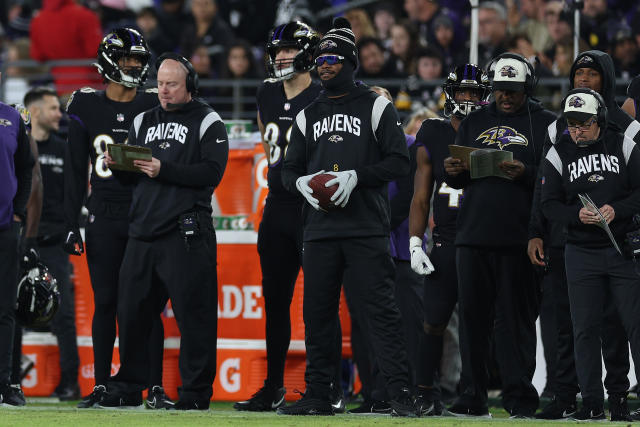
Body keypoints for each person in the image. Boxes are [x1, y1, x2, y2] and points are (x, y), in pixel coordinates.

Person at [279, 17, 416, 417]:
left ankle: (400, 395)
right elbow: (287, 170)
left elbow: (399, 161)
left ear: (351, 61)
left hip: (365, 228)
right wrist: (301, 184)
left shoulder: (376, 105)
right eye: (320, 58)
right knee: (317, 314)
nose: (324, 64)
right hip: (319, 229)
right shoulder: (307, 113)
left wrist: (357, 177)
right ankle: (321, 394)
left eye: (333, 58)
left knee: (381, 314)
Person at [101, 52, 228, 410]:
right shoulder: (142, 119)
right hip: (142, 230)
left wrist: (163, 169)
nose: (163, 90)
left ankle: (194, 394)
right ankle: (128, 385)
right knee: (130, 313)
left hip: (185, 232)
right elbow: (134, 178)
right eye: (159, 83)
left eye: (171, 84)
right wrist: (119, 164)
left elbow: (211, 174)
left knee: (195, 316)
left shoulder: (208, 120)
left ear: (190, 86)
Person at [62, 28, 171, 409]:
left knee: (146, 303)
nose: (135, 66)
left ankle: (153, 385)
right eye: (128, 59)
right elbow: (75, 171)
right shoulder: (85, 104)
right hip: (104, 214)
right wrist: (71, 222)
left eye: (139, 60)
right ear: (110, 61)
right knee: (107, 301)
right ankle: (105, 384)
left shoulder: (156, 103)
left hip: (146, 214)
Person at [443, 53, 556, 418]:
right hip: (473, 234)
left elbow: (553, 180)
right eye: (500, 90)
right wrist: (453, 170)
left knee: (515, 325)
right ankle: (472, 397)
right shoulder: (474, 120)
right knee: (473, 323)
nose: (506, 97)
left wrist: (524, 171)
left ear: (528, 88)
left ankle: (520, 399)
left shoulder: (546, 124)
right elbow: (457, 177)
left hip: (519, 238)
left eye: (513, 91)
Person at [233, 20, 335, 413]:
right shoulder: (266, 93)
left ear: (308, 52)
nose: (280, 57)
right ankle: (274, 385)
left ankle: (324, 387)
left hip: (312, 207)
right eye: (276, 51)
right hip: (278, 205)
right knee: (275, 301)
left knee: (319, 303)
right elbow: (267, 143)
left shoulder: (323, 95)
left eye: (289, 50)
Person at [530, 49, 638, 420]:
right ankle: (586, 402)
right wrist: (573, 216)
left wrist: (617, 210)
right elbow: (546, 201)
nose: (576, 130)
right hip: (577, 248)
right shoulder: (559, 144)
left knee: (628, 325)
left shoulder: (626, 137)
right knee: (582, 328)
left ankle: (621, 400)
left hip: (623, 246)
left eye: (584, 123)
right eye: (572, 123)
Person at [409, 64, 491, 416]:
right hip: (445, 238)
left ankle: (474, 395)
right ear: (450, 94)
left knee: (479, 324)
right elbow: (420, 195)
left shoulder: (494, 133)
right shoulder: (433, 131)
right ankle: (425, 392)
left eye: (475, 93)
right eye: (464, 92)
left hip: (483, 239)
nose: (469, 99)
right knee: (434, 320)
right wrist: (415, 241)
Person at [24, 87, 81, 400]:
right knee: (10, 311)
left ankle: (70, 382)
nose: (60, 114)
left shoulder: (65, 148)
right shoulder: (18, 146)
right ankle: (9, 380)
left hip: (54, 242)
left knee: (64, 314)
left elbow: (76, 195)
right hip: (22, 241)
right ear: (34, 112)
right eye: (53, 109)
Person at [0, 73, 34, 406]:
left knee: (6, 308)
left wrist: (18, 211)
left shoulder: (11, 117)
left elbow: (26, 167)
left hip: (5, 228)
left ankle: (6, 384)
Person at [29, 0, 103, 94]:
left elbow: (37, 56)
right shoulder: (84, 15)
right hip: (90, 84)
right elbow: (95, 50)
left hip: (59, 86)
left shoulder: (38, 20)